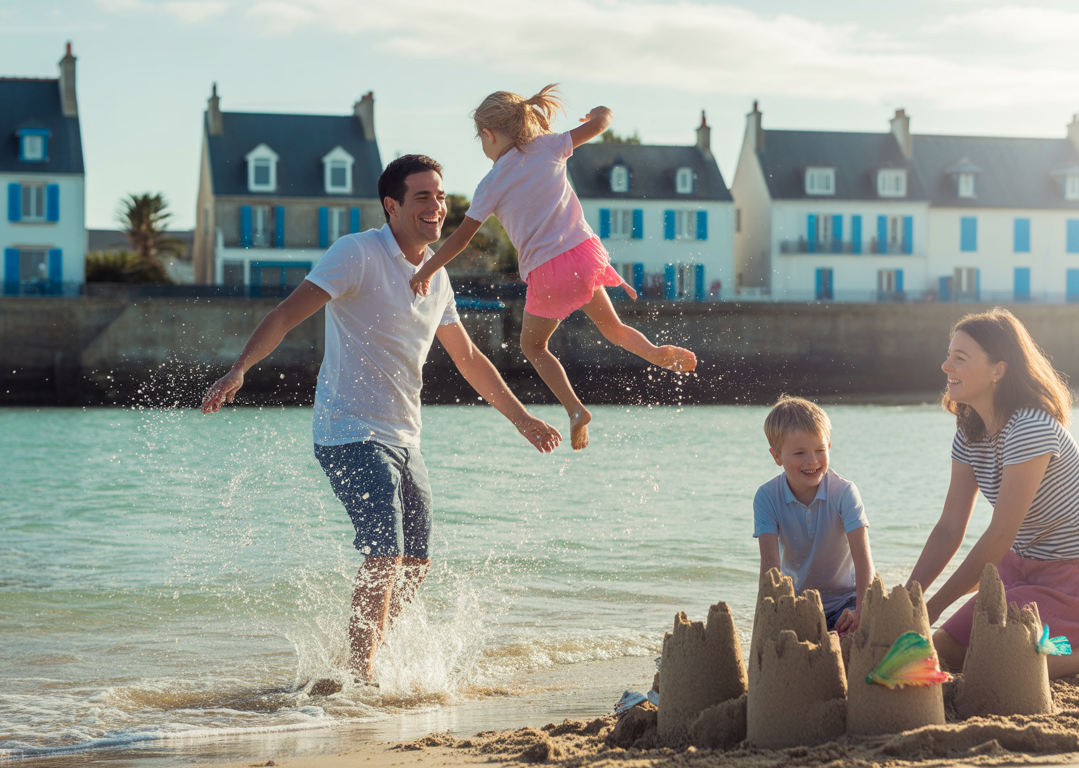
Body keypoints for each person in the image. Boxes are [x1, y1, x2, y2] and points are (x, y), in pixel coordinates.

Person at [200, 155, 562, 684]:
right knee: (385, 553)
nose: (437, 207)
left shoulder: (436, 274)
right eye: (423, 197)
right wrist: (240, 369)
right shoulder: (357, 253)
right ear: (392, 205)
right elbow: (286, 313)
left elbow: (467, 358)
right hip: (348, 431)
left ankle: (356, 660)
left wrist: (522, 419)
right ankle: (363, 673)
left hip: (405, 438)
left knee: (416, 562)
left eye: (441, 197)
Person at [408, 84, 697, 451]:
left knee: (534, 346)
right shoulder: (549, 146)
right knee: (615, 329)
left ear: (489, 134)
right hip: (584, 255)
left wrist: (426, 270)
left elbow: (461, 239)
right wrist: (598, 113)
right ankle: (653, 352)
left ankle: (575, 409)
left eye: (481, 140)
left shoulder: (490, 184)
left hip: (548, 272)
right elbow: (603, 122)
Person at [907, 308, 1079, 684]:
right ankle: (1077, 645)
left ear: (998, 370)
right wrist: (909, 600)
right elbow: (949, 528)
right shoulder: (969, 432)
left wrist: (932, 608)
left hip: (1078, 581)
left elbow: (999, 535)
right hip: (1018, 569)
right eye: (949, 354)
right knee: (947, 648)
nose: (945, 365)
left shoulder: (1030, 427)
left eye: (960, 357)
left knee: (999, 666)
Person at [753, 396, 875, 633]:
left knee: (850, 643)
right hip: (800, 605)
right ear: (776, 456)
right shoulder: (766, 497)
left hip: (848, 600)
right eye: (800, 453)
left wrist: (862, 609)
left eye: (820, 450)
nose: (812, 461)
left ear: (829, 447)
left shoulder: (844, 492)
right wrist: (765, 622)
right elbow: (770, 566)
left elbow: (862, 558)